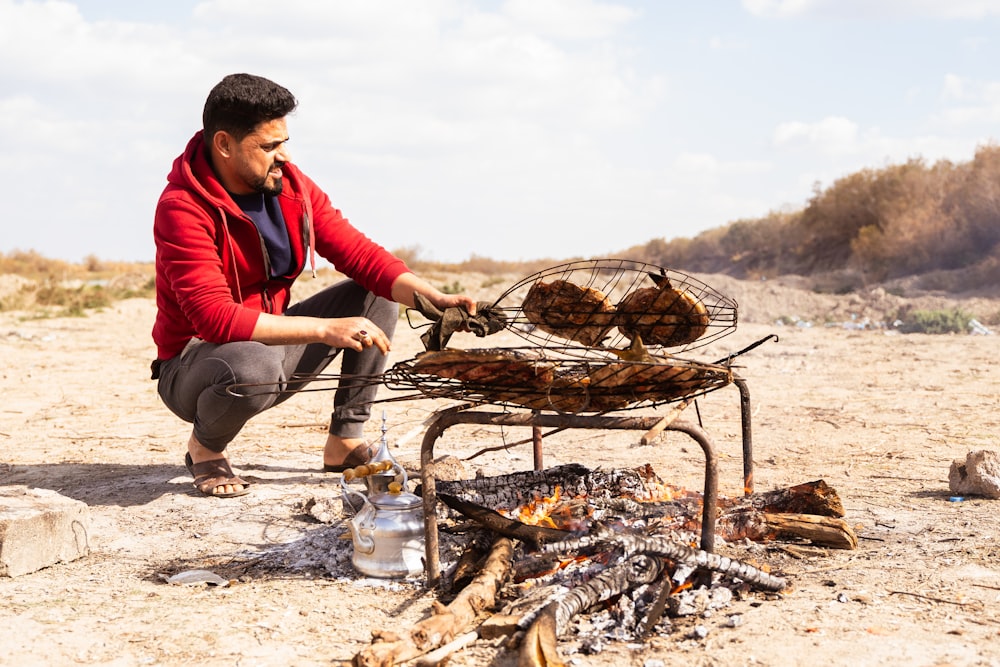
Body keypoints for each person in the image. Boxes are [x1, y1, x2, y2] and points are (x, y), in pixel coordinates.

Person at [152, 73, 476, 498]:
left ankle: (345, 438)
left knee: (374, 291)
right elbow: (213, 318)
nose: (283, 156)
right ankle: (206, 448)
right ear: (225, 145)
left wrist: (430, 296)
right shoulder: (181, 208)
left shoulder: (291, 187)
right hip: (196, 366)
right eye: (269, 146)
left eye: (284, 141)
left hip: (267, 344)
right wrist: (326, 329)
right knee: (252, 366)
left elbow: (359, 254)